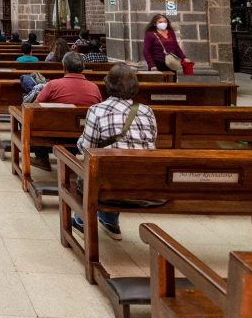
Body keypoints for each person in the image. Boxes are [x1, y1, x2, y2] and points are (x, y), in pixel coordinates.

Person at [71, 64, 157, 240]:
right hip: (143, 183)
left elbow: (88, 148)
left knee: (95, 166)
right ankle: (110, 220)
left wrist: (79, 142)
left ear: (108, 85)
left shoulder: (97, 110)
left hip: (107, 182)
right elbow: (151, 143)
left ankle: (80, 221)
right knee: (120, 163)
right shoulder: (147, 111)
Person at [29, 52, 103, 171]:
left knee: (33, 118)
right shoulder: (94, 88)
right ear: (83, 67)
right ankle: (71, 156)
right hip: (81, 134)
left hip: (51, 133)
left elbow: (33, 107)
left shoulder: (53, 85)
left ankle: (42, 158)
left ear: (64, 67)